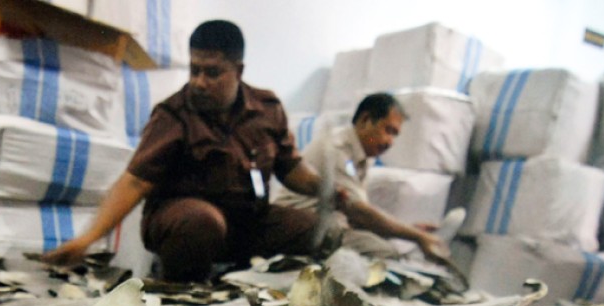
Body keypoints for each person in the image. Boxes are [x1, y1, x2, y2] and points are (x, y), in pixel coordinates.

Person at [42, 19, 338, 282]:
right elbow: (134, 181)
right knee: (203, 222)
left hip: (245, 223)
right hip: (185, 222)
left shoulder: (267, 109)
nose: (199, 82)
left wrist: (327, 190)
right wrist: (89, 238)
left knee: (322, 229)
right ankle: (182, 285)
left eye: (212, 73)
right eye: (194, 70)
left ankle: (245, 281)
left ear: (238, 70)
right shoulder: (173, 114)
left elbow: (290, 168)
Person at [272, 93, 447, 261]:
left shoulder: (361, 157)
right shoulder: (336, 149)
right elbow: (360, 213)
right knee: (383, 252)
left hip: (325, 226)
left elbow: (355, 216)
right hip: (300, 227)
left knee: (381, 246)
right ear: (365, 120)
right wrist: (417, 236)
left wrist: (411, 230)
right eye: (388, 130)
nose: (390, 142)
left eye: (395, 135)